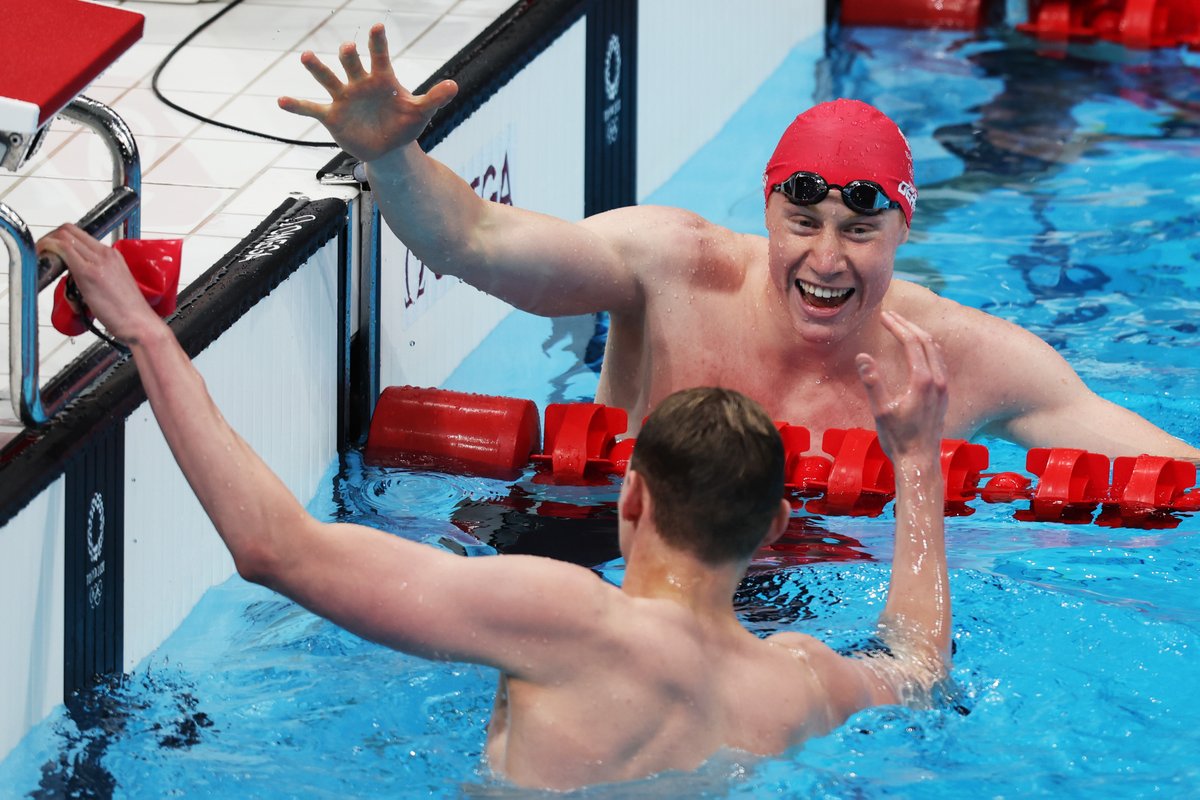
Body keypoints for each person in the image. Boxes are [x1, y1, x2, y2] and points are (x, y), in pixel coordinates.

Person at [40, 223, 951, 791]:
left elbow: (274, 548)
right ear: (774, 531)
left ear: (630, 496)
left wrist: (147, 332)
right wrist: (915, 463)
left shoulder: (569, 621)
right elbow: (918, 662)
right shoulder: (795, 683)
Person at [278, 25, 1199, 460]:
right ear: (765, 214)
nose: (828, 259)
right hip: (621, 557)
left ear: (905, 230)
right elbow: (476, 239)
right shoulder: (671, 266)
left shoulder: (967, 358)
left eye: (860, 230)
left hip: (825, 599)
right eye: (803, 223)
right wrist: (393, 158)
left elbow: (1169, 471)